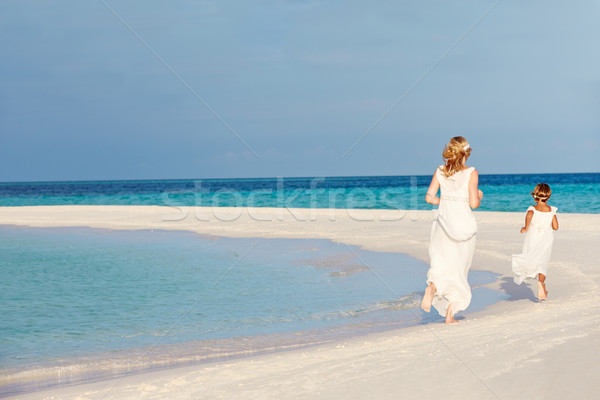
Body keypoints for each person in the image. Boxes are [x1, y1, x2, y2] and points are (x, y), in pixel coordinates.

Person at [420, 136, 483, 324]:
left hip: (443, 223)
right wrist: (479, 196)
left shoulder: (440, 171)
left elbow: (429, 197)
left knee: (442, 262)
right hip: (463, 225)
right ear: (466, 153)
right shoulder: (471, 172)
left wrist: (446, 202)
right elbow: (473, 204)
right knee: (459, 268)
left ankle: (432, 287)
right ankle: (450, 312)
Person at [511, 183, 559, 301]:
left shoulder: (532, 208)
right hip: (546, 239)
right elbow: (556, 227)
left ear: (535, 196)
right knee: (543, 261)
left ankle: (536, 278)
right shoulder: (551, 210)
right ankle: (541, 283)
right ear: (548, 197)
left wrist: (526, 227)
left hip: (534, 237)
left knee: (533, 257)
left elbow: (529, 214)